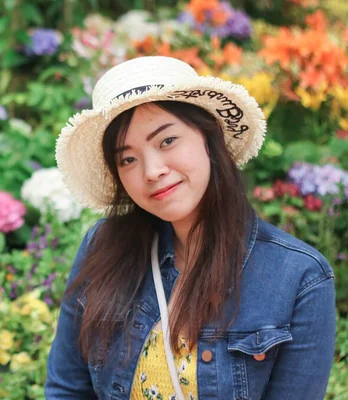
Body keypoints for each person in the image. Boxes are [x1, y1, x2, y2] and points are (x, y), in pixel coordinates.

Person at [45, 56, 336, 399]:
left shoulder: (299, 278)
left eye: (167, 141)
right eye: (128, 159)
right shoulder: (104, 246)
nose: (152, 171)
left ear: (209, 138)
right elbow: (67, 388)